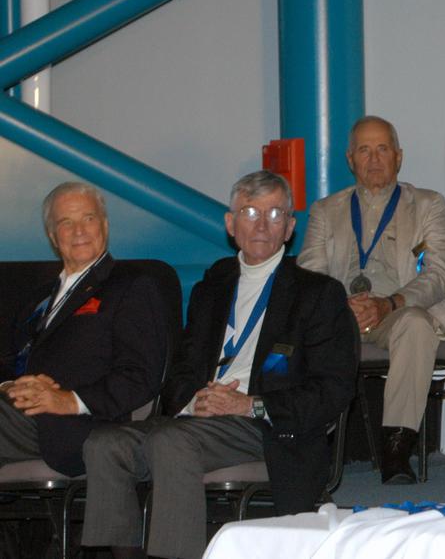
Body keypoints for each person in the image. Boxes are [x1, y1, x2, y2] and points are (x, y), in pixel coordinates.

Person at [81, 171, 358, 559]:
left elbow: (333, 390)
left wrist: (249, 404)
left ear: (290, 227)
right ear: (231, 224)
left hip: (268, 427)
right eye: (249, 211)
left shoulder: (318, 294)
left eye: (275, 214)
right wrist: (195, 402)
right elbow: (178, 373)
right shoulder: (211, 289)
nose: (262, 224)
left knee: (171, 441)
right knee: (104, 443)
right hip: (200, 419)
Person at [298, 115, 445, 483]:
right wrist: (341, 308)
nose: (374, 159)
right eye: (364, 150)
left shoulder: (427, 205)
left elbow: (437, 276)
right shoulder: (325, 212)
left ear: (399, 156)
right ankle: (304, 448)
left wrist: (389, 303)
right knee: (295, 327)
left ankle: (396, 448)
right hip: (339, 316)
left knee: (417, 325)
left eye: (382, 149)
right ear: (350, 159)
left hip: (398, 313)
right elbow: (308, 278)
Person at [0, 183, 178, 477]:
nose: (78, 230)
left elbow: (140, 377)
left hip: (75, 425)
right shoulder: (38, 297)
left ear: (105, 226)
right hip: (15, 415)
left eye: (88, 219)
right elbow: (8, 359)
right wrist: (9, 387)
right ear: (52, 236)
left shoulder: (130, 286)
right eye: (66, 223)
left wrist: (70, 400)